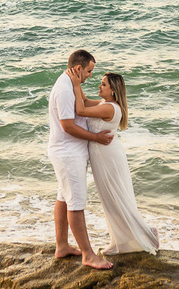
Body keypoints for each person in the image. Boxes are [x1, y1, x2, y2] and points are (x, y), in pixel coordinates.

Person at [67, 68, 160, 255]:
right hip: (106, 155)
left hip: (107, 157)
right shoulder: (106, 104)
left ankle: (146, 234)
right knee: (112, 198)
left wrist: (76, 85)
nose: (99, 86)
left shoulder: (109, 107)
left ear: (113, 91)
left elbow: (80, 109)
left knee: (115, 198)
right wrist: (77, 83)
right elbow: (84, 102)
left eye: (103, 84)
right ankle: (120, 240)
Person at [48, 49, 115, 270]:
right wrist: (95, 137)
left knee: (64, 198)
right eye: (88, 71)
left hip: (66, 152)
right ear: (78, 69)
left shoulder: (68, 84)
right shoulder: (66, 90)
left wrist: (114, 105)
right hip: (68, 153)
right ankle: (87, 254)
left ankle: (62, 246)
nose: (90, 76)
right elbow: (68, 126)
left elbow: (84, 103)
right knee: (75, 203)